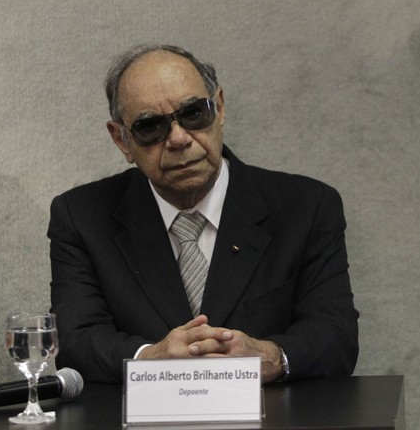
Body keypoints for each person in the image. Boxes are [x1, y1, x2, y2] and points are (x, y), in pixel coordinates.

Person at [47, 44, 359, 384]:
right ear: (122, 140)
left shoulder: (306, 207)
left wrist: (269, 356)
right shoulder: (81, 217)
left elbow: (336, 337)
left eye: (194, 113)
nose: (179, 139)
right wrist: (151, 359)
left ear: (220, 108)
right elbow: (75, 341)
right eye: (151, 126)